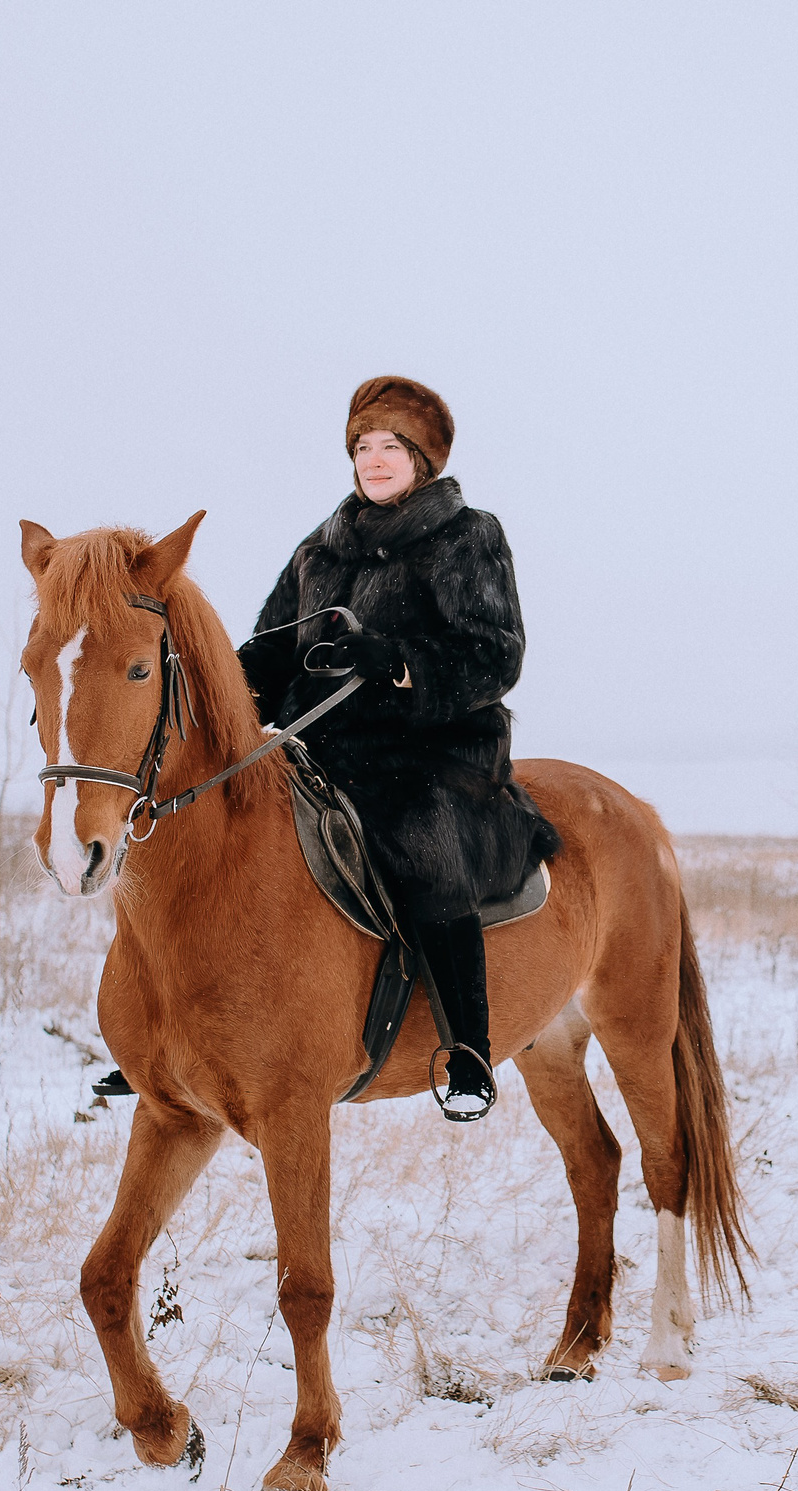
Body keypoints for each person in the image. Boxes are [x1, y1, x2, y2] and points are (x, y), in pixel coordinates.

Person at [238, 376, 558, 1120]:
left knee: (421, 838)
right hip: (317, 749)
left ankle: (469, 1051)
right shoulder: (320, 548)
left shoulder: (468, 536)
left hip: (433, 753)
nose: (373, 460)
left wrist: (401, 660)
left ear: (423, 459)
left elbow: (495, 654)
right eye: (363, 447)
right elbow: (267, 653)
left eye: (390, 447)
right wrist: (209, 692)